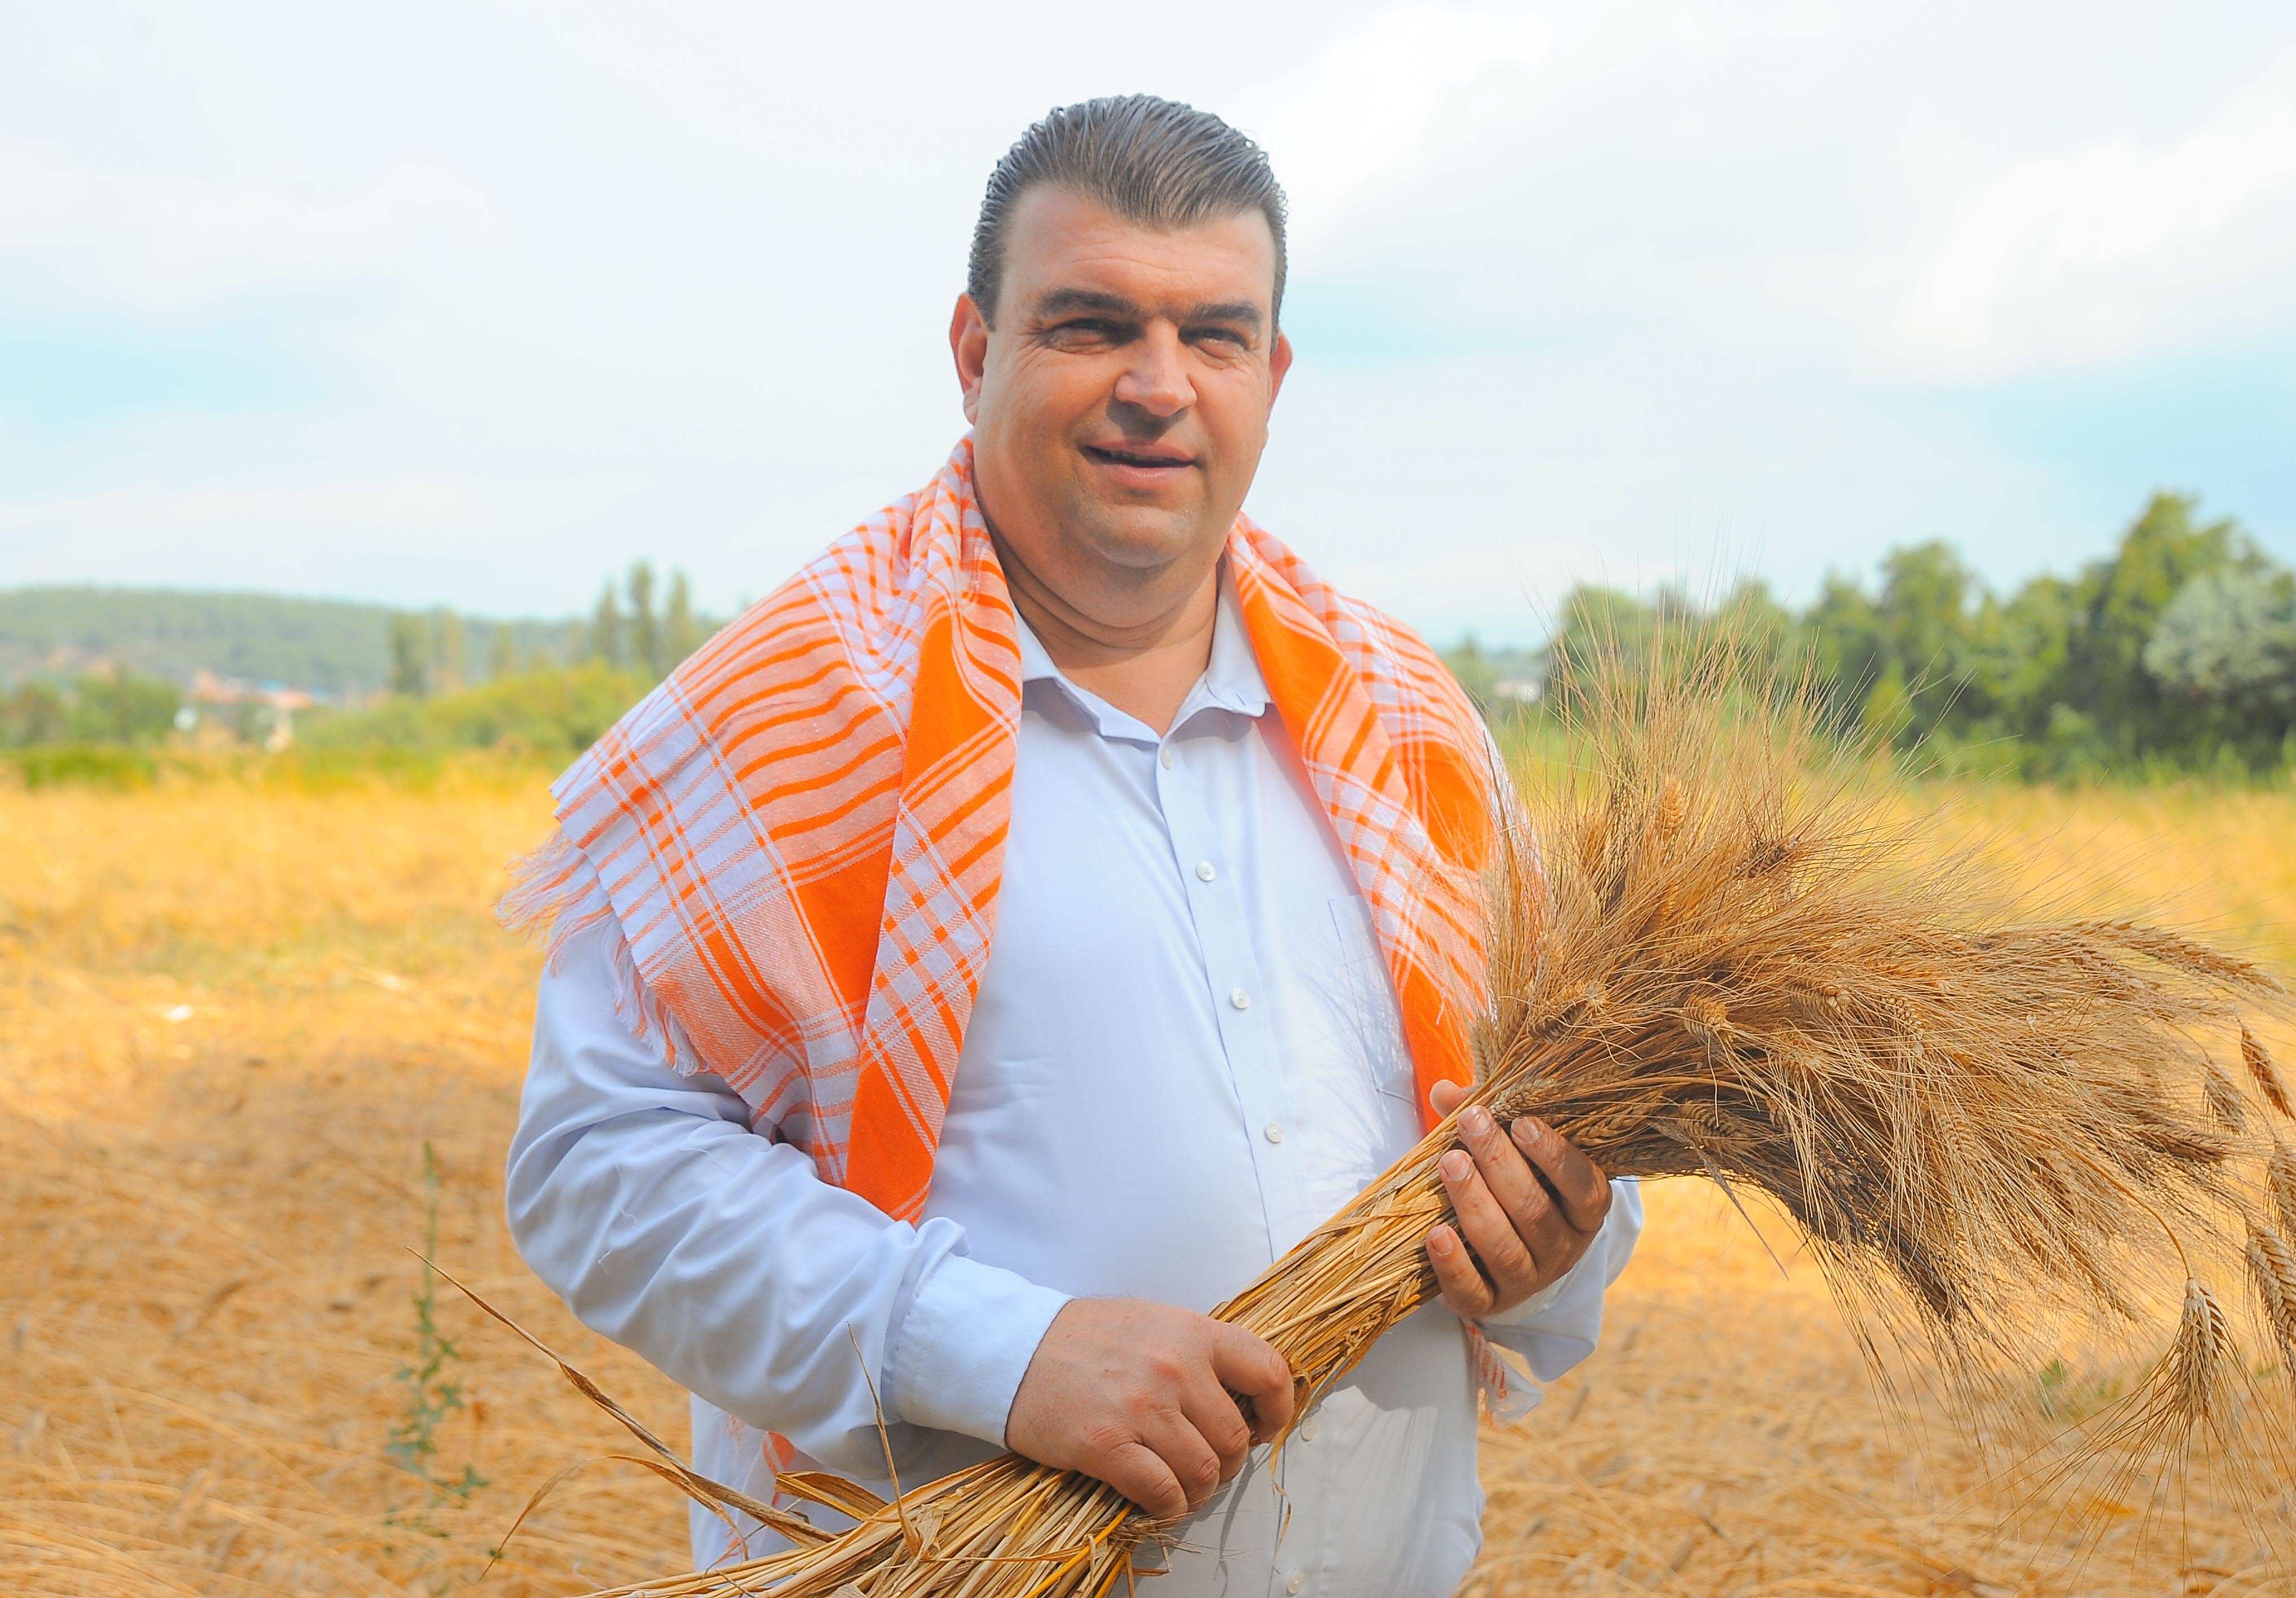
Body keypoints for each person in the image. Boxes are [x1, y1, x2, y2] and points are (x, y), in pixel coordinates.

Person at [503, 94, 1641, 1597]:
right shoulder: (799, 711)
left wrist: (1568, 1238)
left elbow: (1559, 1132)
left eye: (1215, 336)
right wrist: (1004, 1353)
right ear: (977, 353)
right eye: (1093, 324)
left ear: (1274, 375)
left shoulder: (1408, 722)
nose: (1159, 388)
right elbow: (601, 1169)